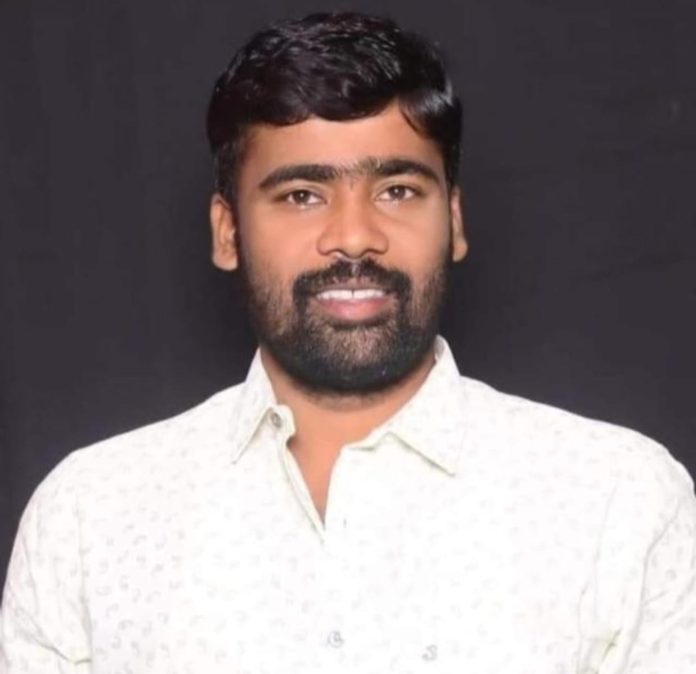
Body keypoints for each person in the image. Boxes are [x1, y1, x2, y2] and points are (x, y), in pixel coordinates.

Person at [1, 11, 695, 674]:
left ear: (453, 220)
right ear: (228, 231)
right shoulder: (90, 518)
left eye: (397, 190)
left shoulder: (619, 503)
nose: (355, 237)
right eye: (302, 195)